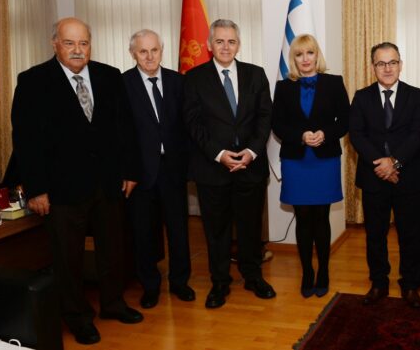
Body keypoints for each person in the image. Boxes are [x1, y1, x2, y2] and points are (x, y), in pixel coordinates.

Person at [11, 17, 142, 345]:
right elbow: (26, 141)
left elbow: (125, 128)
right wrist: (37, 188)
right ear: (55, 43)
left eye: (83, 43)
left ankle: (112, 304)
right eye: (69, 43)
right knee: (68, 258)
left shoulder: (109, 76)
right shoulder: (33, 81)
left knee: (112, 249)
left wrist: (130, 171)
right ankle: (77, 316)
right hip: (62, 189)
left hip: (108, 183)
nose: (77, 50)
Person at [183, 19, 275, 308]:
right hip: (213, 170)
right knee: (217, 231)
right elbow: (193, 123)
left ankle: (253, 276)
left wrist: (252, 151)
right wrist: (219, 154)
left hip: (250, 167)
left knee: (250, 228)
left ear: (239, 44)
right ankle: (220, 282)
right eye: (220, 41)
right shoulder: (194, 78)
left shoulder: (256, 74)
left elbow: (265, 117)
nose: (226, 47)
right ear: (209, 44)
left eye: (231, 41)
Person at [349, 42, 420, 308]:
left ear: (400, 64)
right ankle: (379, 283)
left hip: (408, 177)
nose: (387, 68)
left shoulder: (417, 95)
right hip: (373, 177)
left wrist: (394, 163)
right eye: (381, 63)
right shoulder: (361, 97)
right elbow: (357, 135)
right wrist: (382, 165)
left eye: (392, 62)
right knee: (375, 235)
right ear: (373, 67)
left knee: (410, 235)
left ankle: (410, 284)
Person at [271, 34, 350, 298]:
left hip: (325, 160)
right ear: (293, 59)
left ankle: (323, 270)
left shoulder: (334, 83)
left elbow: (345, 121)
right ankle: (307, 272)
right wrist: (301, 136)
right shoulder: (283, 87)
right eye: (299, 54)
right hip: (296, 160)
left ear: (317, 55)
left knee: (321, 217)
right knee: (303, 218)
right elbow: (277, 124)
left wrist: (325, 134)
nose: (305, 59)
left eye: (310, 53)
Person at [123, 29, 194, 309]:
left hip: (173, 170)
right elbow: (120, 133)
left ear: (162, 51)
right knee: (143, 232)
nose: (150, 56)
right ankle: (150, 286)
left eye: (154, 50)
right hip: (140, 174)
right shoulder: (123, 84)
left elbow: (188, 126)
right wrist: (127, 171)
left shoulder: (179, 82)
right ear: (133, 54)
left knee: (179, 229)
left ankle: (180, 282)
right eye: (143, 51)